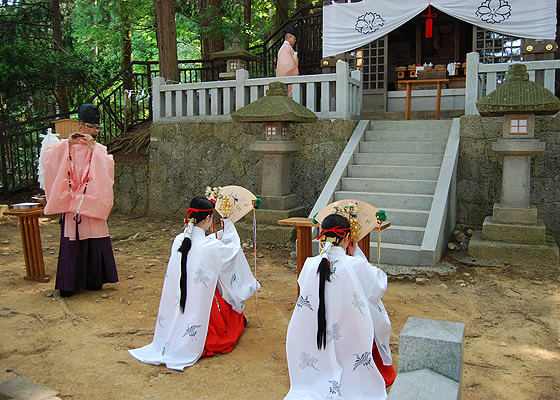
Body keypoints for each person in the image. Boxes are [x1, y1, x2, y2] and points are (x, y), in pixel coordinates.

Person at [128, 196, 260, 370]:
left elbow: (201, 244)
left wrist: (219, 234)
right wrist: (229, 227)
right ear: (207, 219)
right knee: (226, 312)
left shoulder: (179, 240)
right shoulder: (208, 247)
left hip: (179, 299)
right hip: (202, 304)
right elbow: (232, 249)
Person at [284, 213, 395, 400]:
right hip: (349, 333)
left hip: (314, 334)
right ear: (346, 238)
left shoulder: (310, 264)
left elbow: (304, 287)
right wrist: (356, 254)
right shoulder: (354, 264)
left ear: (322, 236)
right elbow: (378, 285)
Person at [42, 103, 118, 297]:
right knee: (73, 238)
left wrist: (94, 149)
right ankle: (69, 283)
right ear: (81, 127)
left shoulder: (99, 149)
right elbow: (48, 158)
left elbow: (108, 170)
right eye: (93, 127)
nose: (96, 131)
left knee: (95, 236)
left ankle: (95, 279)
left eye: (98, 127)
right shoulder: (65, 147)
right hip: (73, 203)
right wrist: (67, 144)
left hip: (92, 201)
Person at [276, 24, 299, 97]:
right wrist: (296, 70)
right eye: (294, 38)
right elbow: (288, 67)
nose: (295, 40)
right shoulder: (285, 49)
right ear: (289, 37)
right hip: (286, 82)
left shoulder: (287, 48)